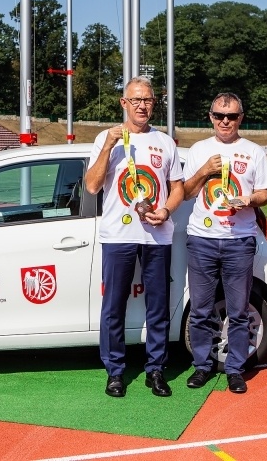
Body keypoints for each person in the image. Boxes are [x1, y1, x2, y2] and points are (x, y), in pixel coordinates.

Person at [85, 76, 184, 398]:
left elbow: (178, 187)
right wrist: (108, 146)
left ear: (154, 104)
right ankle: (115, 372)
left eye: (148, 100)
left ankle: (155, 369)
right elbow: (92, 186)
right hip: (119, 234)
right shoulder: (106, 138)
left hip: (157, 235)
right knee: (113, 306)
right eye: (136, 100)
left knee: (158, 306)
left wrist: (166, 211)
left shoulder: (165, 142)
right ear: (124, 103)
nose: (142, 106)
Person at [182, 92, 267, 394]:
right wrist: (204, 171)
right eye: (219, 115)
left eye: (231, 116)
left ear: (240, 118)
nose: (225, 121)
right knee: (200, 310)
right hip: (202, 239)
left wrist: (250, 199)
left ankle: (235, 368)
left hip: (239, 241)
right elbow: (187, 192)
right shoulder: (199, 150)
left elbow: (265, 194)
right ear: (211, 117)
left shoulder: (254, 152)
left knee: (238, 311)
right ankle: (202, 366)